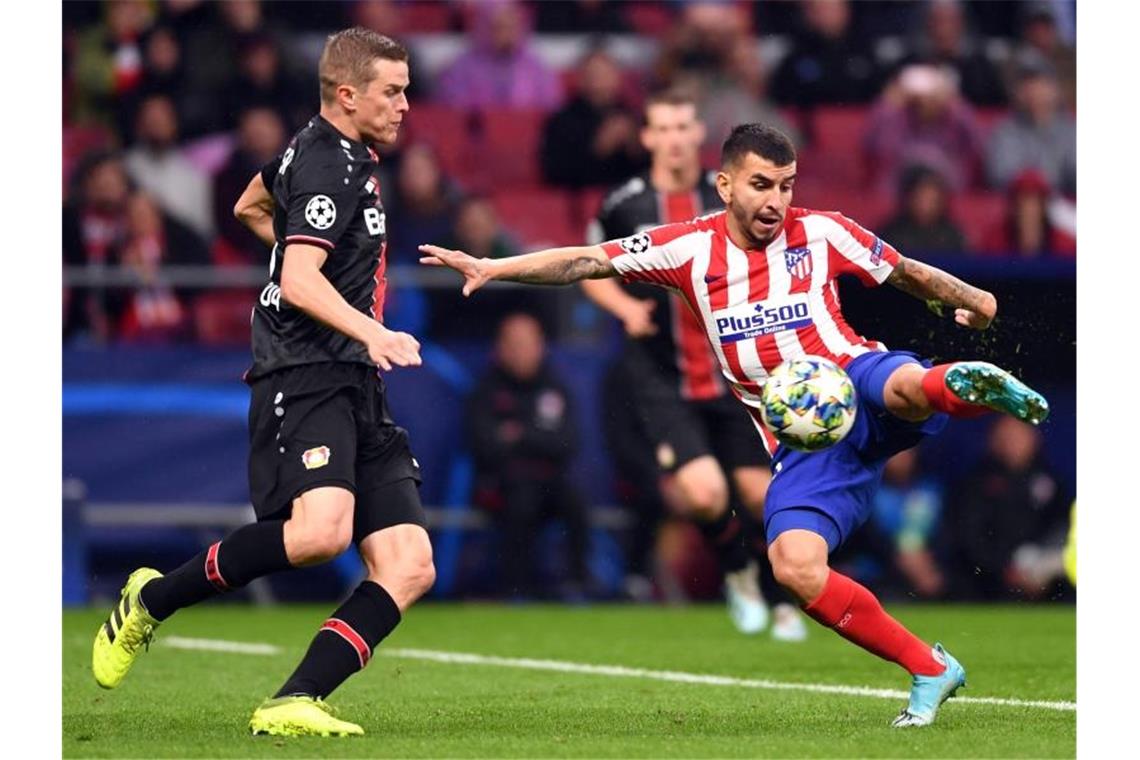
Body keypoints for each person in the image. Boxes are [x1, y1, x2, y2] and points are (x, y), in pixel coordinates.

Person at [420, 122, 1050, 728]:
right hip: (802, 441)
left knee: (904, 385)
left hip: (847, 375)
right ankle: (928, 667)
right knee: (794, 566)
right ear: (724, 186)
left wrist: (975, 299)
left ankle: (962, 383)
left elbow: (908, 272)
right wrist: (495, 267)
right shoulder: (690, 248)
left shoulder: (825, 232)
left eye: (786, 185)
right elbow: (588, 261)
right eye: (760, 185)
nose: (776, 200)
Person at [92, 28, 432, 738]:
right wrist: (369, 327)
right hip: (305, 370)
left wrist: (310, 279)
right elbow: (300, 275)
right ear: (347, 94)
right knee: (318, 535)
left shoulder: (328, 155)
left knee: (407, 561)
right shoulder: (323, 165)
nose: (406, 104)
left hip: (353, 376)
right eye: (391, 91)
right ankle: (151, 601)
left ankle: (293, 699)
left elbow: (251, 206)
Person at [582, 89, 805, 640]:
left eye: (685, 126)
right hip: (662, 374)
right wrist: (625, 306)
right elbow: (590, 267)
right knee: (705, 493)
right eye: (665, 128)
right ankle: (738, 575)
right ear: (649, 137)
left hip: (733, 370)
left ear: (698, 133)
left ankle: (780, 599)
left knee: (760, 494)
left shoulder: (729, 193)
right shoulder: (624, 204)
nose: (676, 138)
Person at [467, 314, 590, 600]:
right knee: (522, 503)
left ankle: (577, 585)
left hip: (550, 479)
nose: (522, 351)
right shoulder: (486, 390)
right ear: (500, 348)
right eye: (515, 344)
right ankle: (516, 589)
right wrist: (537, 436)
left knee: (575, 504)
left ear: (541, 346)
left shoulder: (555, 387)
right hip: (502, 482)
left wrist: (520, 433)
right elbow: (483, 445)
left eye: (528, 344)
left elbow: (568, 442)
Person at [539, 50, 646, 189]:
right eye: (594, 75)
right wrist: (598, 148)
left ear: (617, 78)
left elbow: (646, 175)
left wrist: (636, 148)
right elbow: (553, 172)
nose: (600, 81)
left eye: (606, 74)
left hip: (627, 201)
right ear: (581, 79)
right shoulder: (561, 121)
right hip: (579, 200)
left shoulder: (632, 118)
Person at [879, 163, 967, 255]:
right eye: (921, 198)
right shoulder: (892, 234)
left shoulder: (952, 236)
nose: (926, 205)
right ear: (910, 198)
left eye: (932, 199)